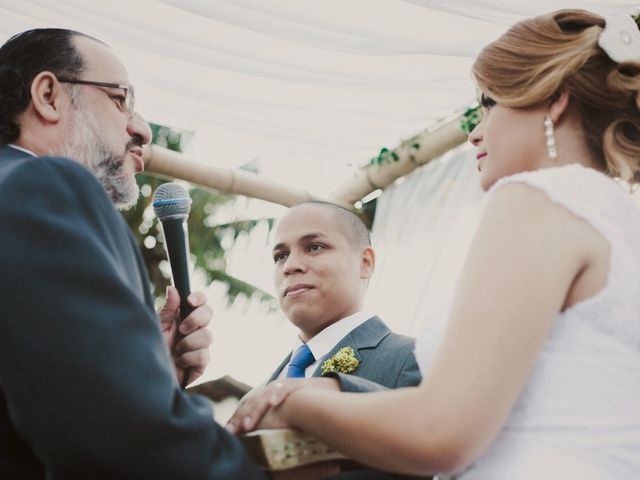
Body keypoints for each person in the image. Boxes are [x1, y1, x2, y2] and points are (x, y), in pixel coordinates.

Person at [228, 9, 640, 479]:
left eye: (489, 104)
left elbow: (441, 434)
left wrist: (295, 398)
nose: (475, 131)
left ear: (555, 100)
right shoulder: (617, 222)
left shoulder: (536, 199)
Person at [0, 28, 268, 479]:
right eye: (120, 98)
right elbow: (123, 439)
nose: (141, 129)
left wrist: (144, 367)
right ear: (48, 95)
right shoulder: (41, 187)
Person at [229, 200, 424, 479]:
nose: (291, 266)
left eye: (314, 247)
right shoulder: (254, 397)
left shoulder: (413, 358)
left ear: (365, 262)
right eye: (280, 256)